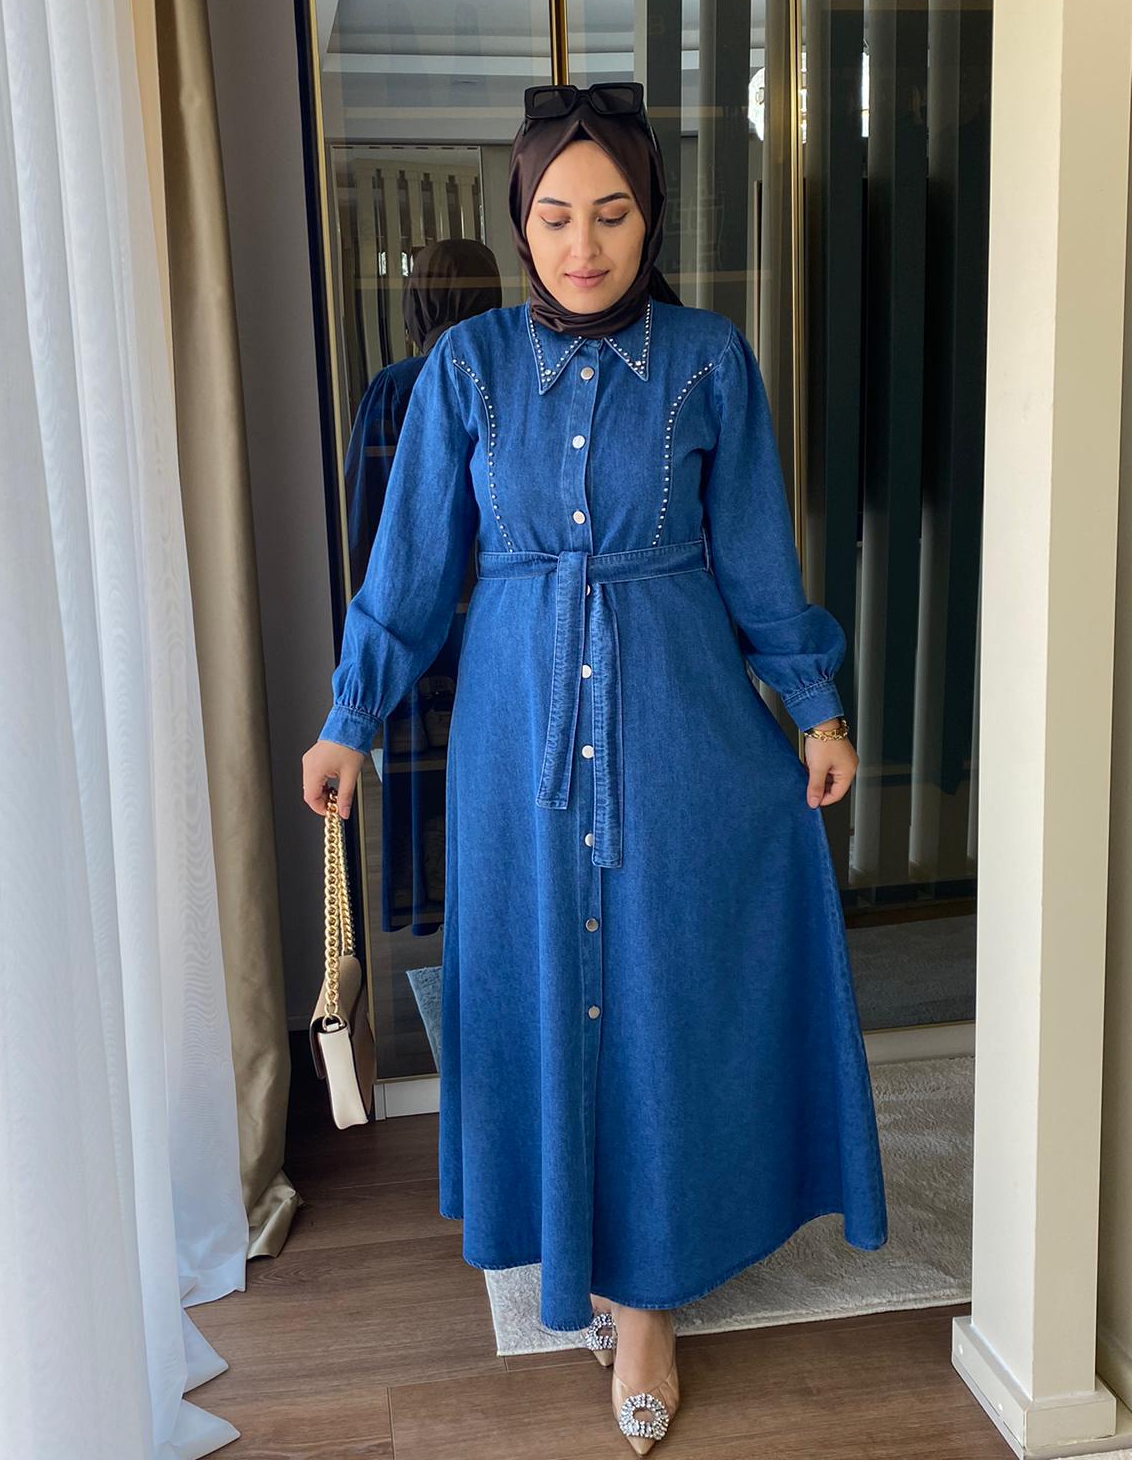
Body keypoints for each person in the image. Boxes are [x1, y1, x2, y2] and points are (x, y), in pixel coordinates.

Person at [302, 81, 889, 1454]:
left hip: (682, 729)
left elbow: (756, 559)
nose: (584, 244)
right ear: (521, 223)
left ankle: (647, 1302)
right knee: (539, 987)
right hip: (517, 743)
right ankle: (579, 1250)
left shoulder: (709, 360)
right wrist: (350, 716)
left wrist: (814, 709)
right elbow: (410, 571)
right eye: (557, 215)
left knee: (668, 996)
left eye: (612, 214)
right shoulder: (464, 369)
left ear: (649, 220)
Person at [341, 238, 502, 934]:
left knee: (424, 783)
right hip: (496, 628)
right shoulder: (508, 380)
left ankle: (438, 920)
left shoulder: (397, 387)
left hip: (419, 633)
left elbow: (367, 525)